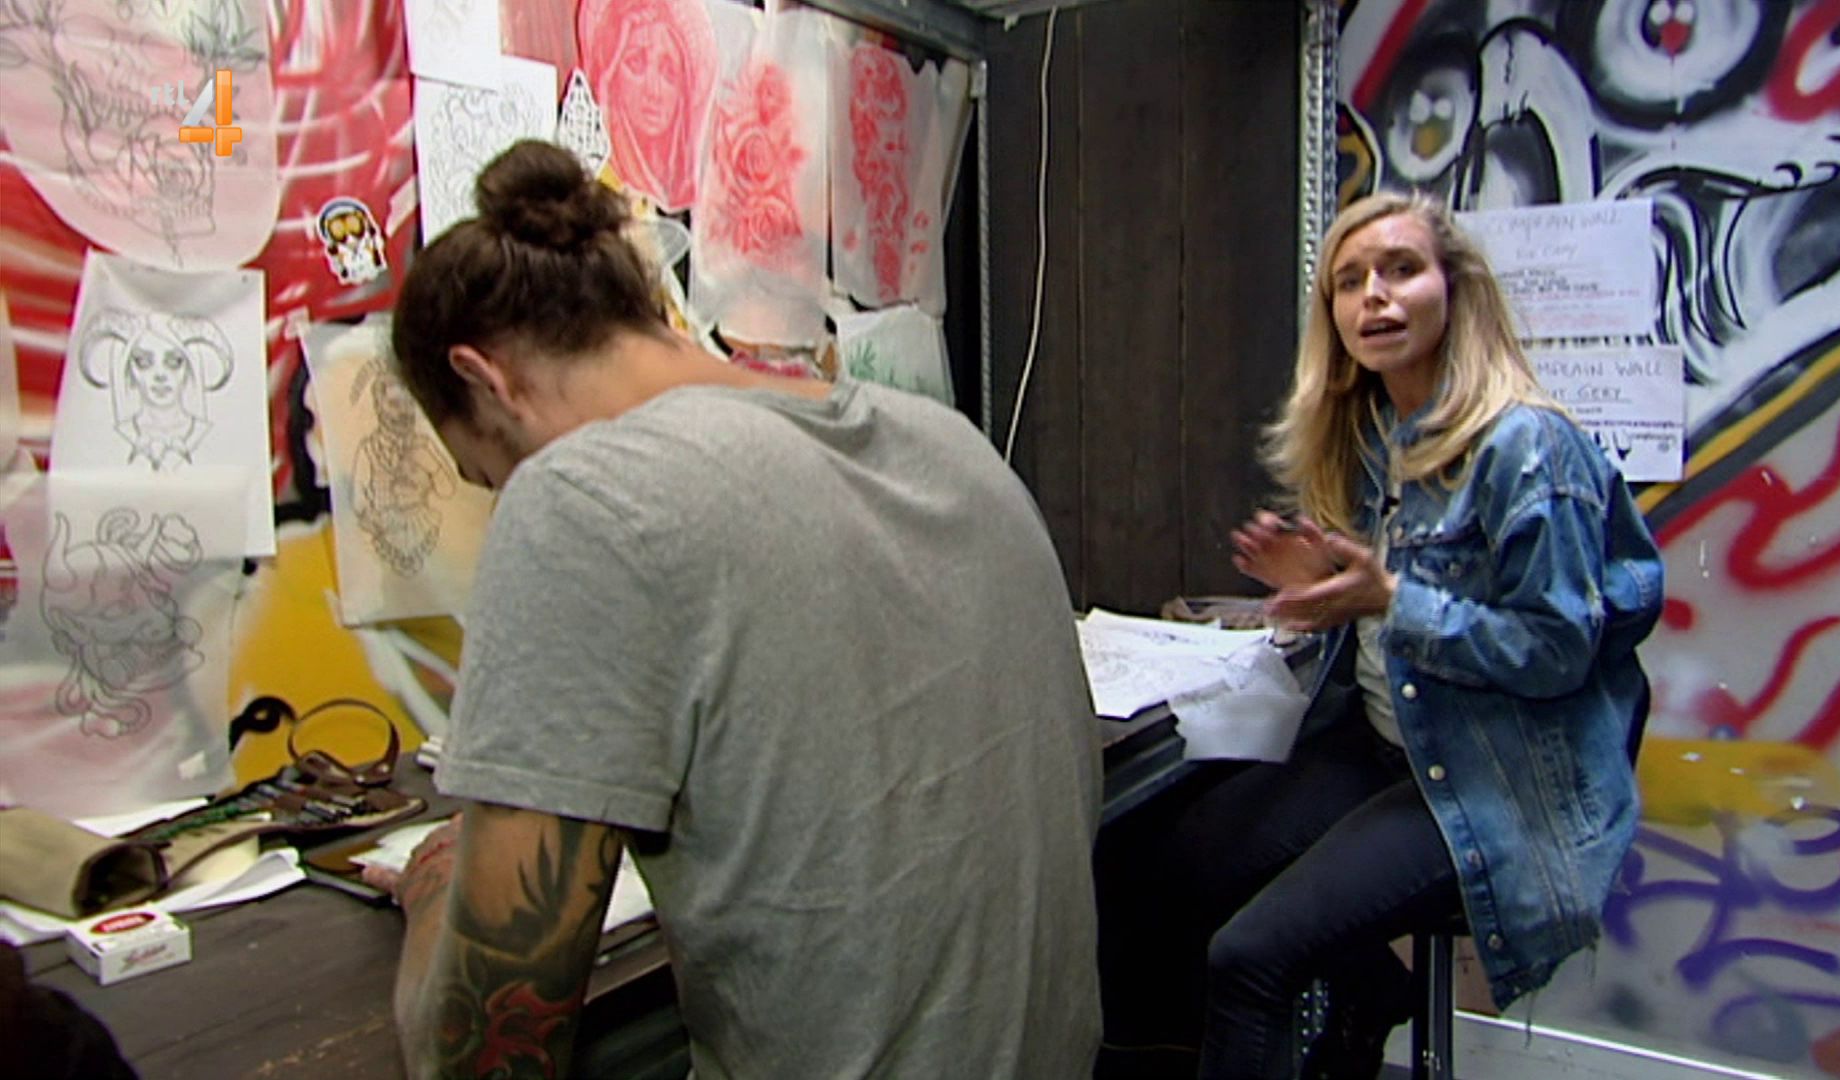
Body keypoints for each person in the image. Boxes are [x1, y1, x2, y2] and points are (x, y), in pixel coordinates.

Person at [371, 140, 1103, 1079]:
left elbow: (478, 1059)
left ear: (485, 379)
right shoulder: (950, 445)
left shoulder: (583, 496)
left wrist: (438, 884)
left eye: (489, 470)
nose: (507, 493)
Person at [1171, 191, 1663, 1078]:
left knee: (1249, 959)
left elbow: (1556, 652)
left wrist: (1389, 598)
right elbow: (1378, 609)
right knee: (1179, 859)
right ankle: (1373, 1003)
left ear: (1454, 289)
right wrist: (1324, 591)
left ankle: (1360, 1012)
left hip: (1489, 780)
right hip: (1388, 750)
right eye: (1350, 281)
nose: (1375, 296)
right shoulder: (1372, 440)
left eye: (1401, 270)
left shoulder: (1528, 446)